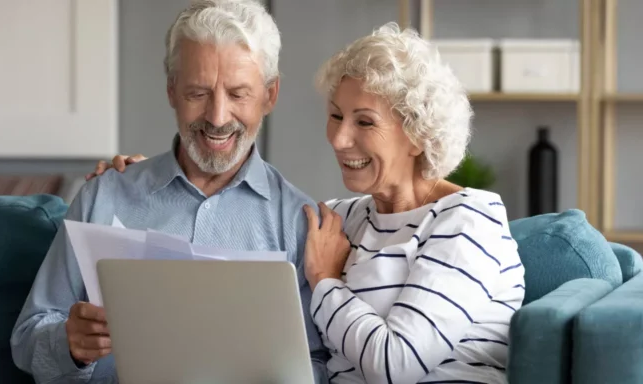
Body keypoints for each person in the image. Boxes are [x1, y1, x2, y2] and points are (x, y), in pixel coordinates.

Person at [93, 23, 526, 384]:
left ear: (417, 133)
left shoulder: (468, 221)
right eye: (336, 115)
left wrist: (324, 281)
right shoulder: (345, 219)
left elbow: (397, 364)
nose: (338, 138)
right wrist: (137, 180)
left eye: (364, 122)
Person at [10, 1, 330, 383]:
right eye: (198, 93)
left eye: (238, 94)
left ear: (270, 95)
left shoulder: (300, 223)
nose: (217, 117)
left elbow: (323, 364)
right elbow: (27, 340)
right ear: (171, 90)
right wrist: (69, 344)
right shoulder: (104, 195)